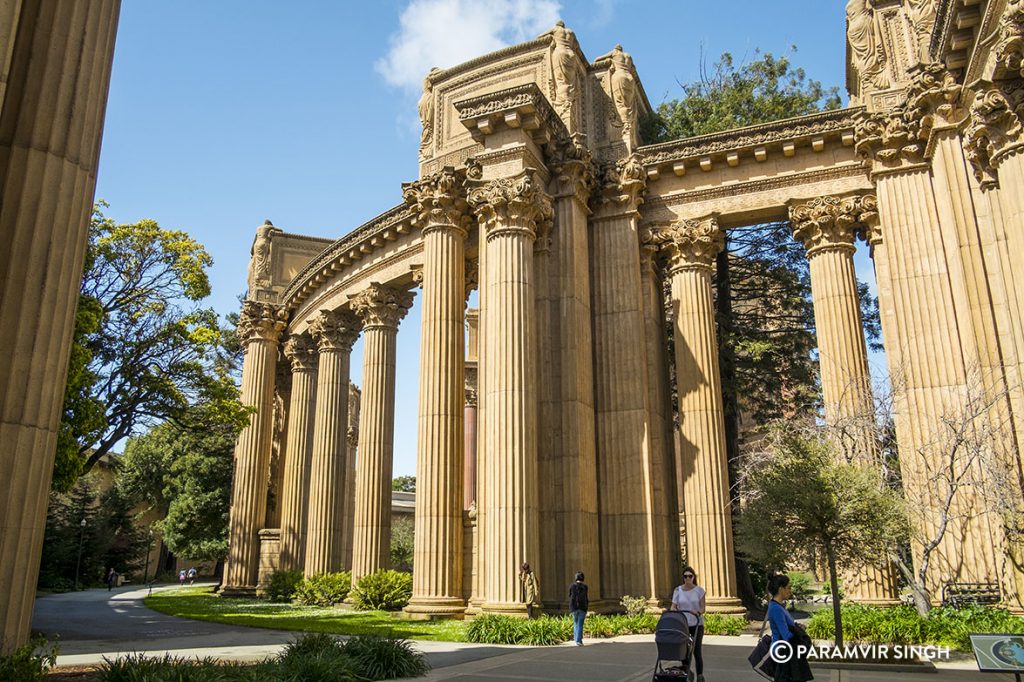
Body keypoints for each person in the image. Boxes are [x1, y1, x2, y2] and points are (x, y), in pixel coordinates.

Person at [766, 573, 813, 682]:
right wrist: (799, 632)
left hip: (786, 651)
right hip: (783, 652)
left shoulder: (778, 606)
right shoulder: (776, 608)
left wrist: (797, 627)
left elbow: (787, 626)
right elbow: (786, 635)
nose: (790, 590)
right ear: (781, 589)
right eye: (788, 588)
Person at [671, 566, 706, 682]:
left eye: (690, 576)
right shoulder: (678, 590)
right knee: (683, 650)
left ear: (693, 577)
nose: (687, 578)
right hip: (683, 623)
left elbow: (702, 607)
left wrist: (698, 612)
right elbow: (673, 606)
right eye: (685, 576)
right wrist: (674, 612)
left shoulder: (699, 591)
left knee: (696, 650)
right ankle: (687, 671)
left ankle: (700, 675)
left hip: (696, 624)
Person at [568, 572, 588, 646]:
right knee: (580, 624)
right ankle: (578, 640)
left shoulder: (571, 586)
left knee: (575, 622)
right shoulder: (585, 587)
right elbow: (586, 597)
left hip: (573, 607)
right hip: (582, 607)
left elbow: (569, 595)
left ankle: (576, 638)